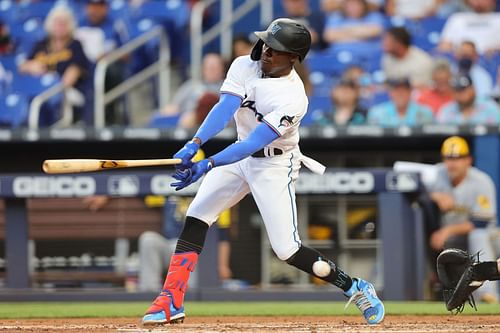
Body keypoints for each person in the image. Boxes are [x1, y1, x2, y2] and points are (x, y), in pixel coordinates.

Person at [141, 18, 385, 326]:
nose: (267, 51)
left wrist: (208, 164)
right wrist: (195, 143)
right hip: (239, 154)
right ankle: (170, 300)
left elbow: (256, 141)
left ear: (294, 58)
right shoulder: (244, 65)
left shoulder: (294, 98)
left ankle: (355, 287)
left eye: (277, 49)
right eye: (267, 43)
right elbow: (224, 109)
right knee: (197, 216)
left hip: (273, 164)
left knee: (287, 250)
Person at [427, 136, 498, 302]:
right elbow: (408, 182)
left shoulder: (481, 181)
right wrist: (433, 195)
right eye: (448, 158)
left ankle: (488, 295)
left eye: (458, 158)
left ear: (468, 160)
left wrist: (447, 231)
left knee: (477, 235)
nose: (452, 163)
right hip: (453, 241)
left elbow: (481, 222)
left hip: (489, 238)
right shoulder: (436, 174)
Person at [19, 5, 91, 126]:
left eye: (64, 23)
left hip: (64, 90)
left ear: (70, 25)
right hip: (39, 90)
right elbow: (22, 67)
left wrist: (55, 86)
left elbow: (75, 71)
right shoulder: (42, 44)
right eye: (58, 23)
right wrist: (31, 66)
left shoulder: (75, 45)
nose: (60, 27)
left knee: (45, 102)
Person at [367, 78, 434, 127]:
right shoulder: (377, 113)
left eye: (404, 90)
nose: (400, 94)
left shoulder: (425, 112)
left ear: (410, 92)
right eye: (397, 90)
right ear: (390, 93)